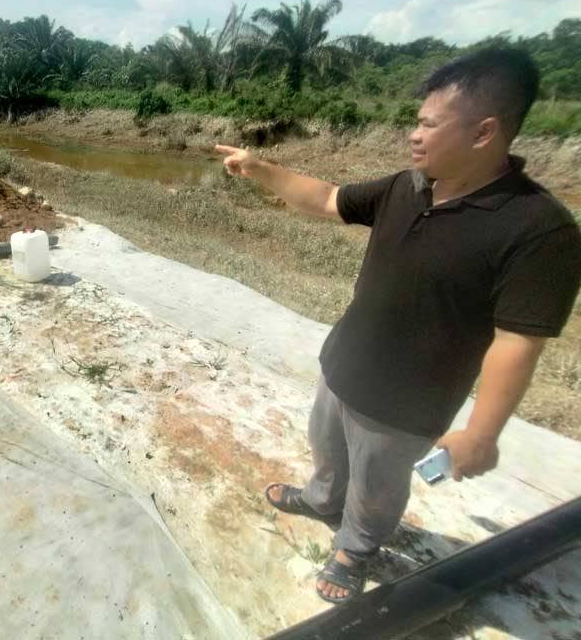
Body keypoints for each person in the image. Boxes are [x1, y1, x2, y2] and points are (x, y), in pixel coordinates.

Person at [215, 47, 581, 605]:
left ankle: (355, 548)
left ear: (484, 132)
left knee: (378, 485)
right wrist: (260, 168)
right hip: (343, 365)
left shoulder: (537, 230)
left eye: (429, 124)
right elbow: (329, 198)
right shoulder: (407, 186)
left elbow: (517, 343)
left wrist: (481, 433)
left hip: (407, 401)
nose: (414, 135)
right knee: (327, 448)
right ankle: (320, 500)